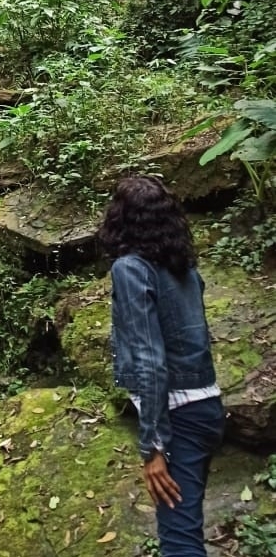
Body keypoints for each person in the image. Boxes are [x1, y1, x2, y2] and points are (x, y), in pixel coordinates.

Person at [98, 174, 225, 557]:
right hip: (206, 408)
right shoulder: (185, 270)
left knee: (179, 544)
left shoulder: (130, 269)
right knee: (184, 530)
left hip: (179, 416)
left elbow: (151, 361)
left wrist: (152, 445)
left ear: (119, 218)